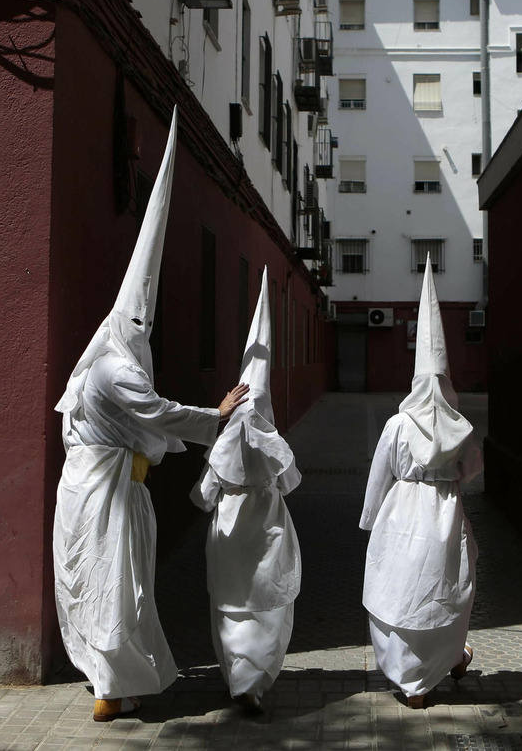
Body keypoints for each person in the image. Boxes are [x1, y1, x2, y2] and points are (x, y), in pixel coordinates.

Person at [52, 110, 250, 722]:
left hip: (110, 486)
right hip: (103, 492)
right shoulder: (114, 367)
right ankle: (110, 687)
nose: (143, 333)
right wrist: (213, 416)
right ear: (122, 324)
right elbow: (153, 410)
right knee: (109, 582)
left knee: (121, 585)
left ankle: (117, 680)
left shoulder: (105, 361)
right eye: (137, 324)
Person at [359, 255, 482, 708]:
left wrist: (371, 520)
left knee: (400, 588)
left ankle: (413, 681)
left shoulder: (396, 424)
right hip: (444, 511)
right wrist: (447, 483)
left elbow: (380, 473)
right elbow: (471, 469)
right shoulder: (460, 426)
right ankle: (447, 659)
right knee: (445, 588)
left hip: (402, 511)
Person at [190, 267, 301, 715]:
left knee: (231, 605)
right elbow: (291, 482)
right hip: (269, 523)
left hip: (232, 527)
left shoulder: (223, 441)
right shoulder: (275, 441)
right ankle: (255, 680)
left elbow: (202, 496)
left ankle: (239, 677)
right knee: (268, 605)